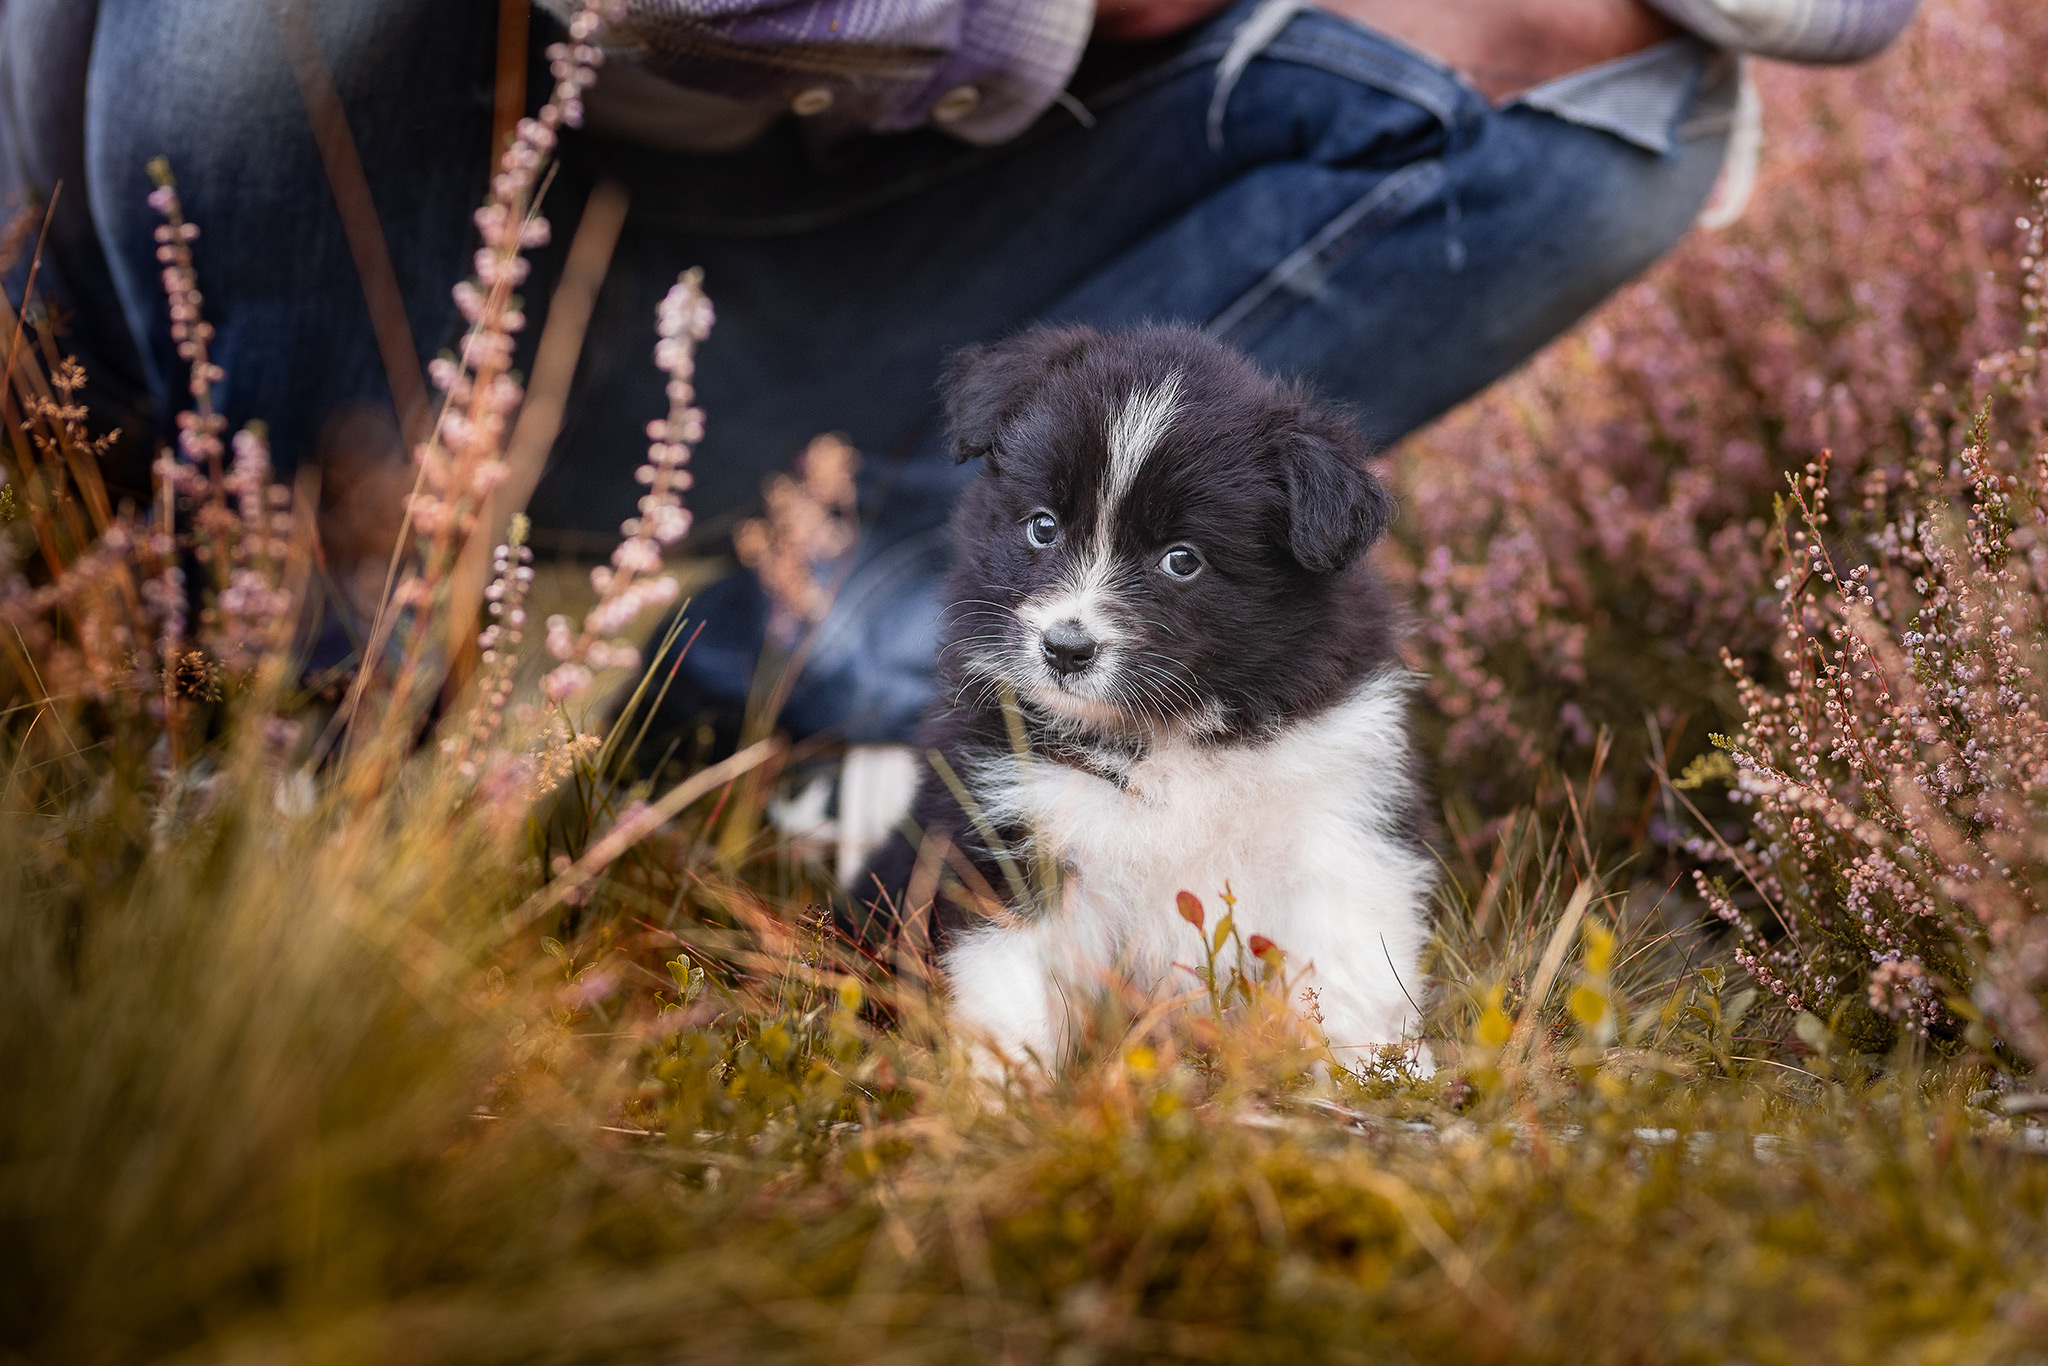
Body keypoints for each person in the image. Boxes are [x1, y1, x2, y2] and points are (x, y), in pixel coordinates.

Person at [0, 0, 1919, 752]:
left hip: (782, 241)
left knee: (1625, 96)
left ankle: (808, 683)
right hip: (253, 255)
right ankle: (284, 702)